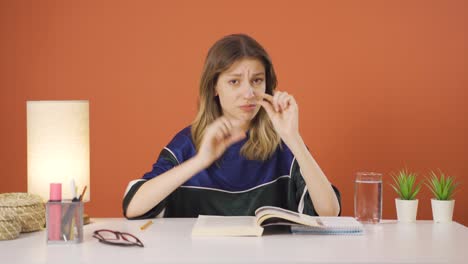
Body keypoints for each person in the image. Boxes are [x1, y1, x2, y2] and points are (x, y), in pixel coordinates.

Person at [123, 34, 341, 219]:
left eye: (257, 80)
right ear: (214, 87)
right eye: (234, 81)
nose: (249, 94)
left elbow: (329, 213)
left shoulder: (284, 144)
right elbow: (133, 207)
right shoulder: (185, 144)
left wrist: (293, 138)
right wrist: (201, 160)